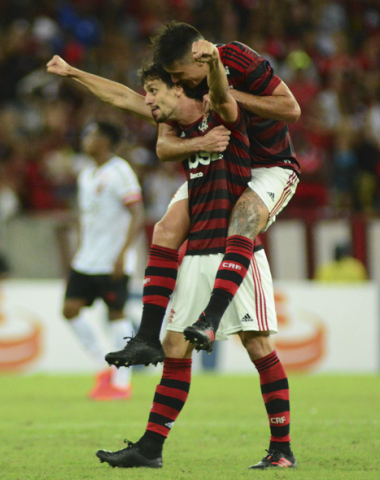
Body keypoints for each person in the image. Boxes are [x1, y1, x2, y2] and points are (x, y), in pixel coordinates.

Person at [47, 20, 301, 366]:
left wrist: (227, 93)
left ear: (199, 59)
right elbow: (126, 99)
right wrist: (74, 73)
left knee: (242, 221)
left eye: (179, 75)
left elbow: (291, 109)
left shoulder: (237, 59)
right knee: (165, 230)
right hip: (221, 165)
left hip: (270, 166)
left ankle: (211, 318)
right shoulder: (188, 91)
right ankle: (147, 337)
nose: (177, 83)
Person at [94, 52, 294, 469]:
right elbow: (124, 100)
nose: (147, 100)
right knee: (173, 347)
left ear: (181, 87)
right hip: (199, 249)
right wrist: (71, 73)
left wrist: (214, 59)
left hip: (237, 253)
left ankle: (282, 450)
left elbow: (223, 94)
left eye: (154, 91)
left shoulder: (222, 115)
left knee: (257, 346)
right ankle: (150, 448)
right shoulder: (178, 128)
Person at [62, 121, 145, 401]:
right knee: (70, 309)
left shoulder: (120, 171)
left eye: (92, 134)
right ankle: (104, 366)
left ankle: (122, 383)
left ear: (106, 141)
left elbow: (137, 214)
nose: (86, 138)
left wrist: (123, 253)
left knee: (116, 314)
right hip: (87, 258)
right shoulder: (86, 175)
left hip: (112, 260)